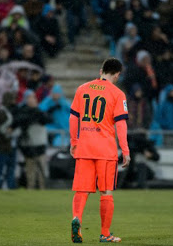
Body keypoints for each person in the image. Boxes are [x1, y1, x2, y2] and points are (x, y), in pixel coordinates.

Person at [69, 58, 130, 243]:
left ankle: (76, 218)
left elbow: (73, 118)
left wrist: (74, 141)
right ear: (117, 74)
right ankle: (105, 234)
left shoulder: (82, 89)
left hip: (85, 147)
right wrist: (125, 150)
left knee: (81, 190)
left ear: (101, 70)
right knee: (106, 192)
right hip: (105, 150)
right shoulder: (118, 94)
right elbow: (121, 125)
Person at [16, 90, 51, 189]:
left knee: (42, 171)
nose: (33, 100)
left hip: (40, 145)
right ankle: (30, 189)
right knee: (30, 171)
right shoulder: (23, 112)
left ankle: (42, 190)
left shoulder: (40, 112)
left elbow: (47, 119)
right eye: (31, 97)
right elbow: (19, 121)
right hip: (28, 146)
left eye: (34, 97)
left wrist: (36, 111)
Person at [0, 92, 20, 190]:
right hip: (3, 145)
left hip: (10, 144)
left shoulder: (11, 111)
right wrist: (5, 134)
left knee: (9, 168)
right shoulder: (2, 112)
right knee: (1, 168)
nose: (14, 101)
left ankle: (9, 186)